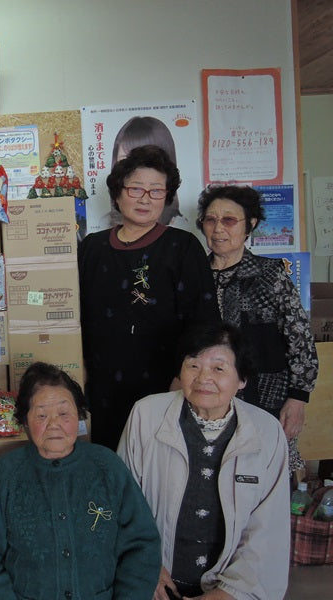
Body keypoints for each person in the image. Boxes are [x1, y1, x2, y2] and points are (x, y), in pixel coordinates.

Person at [118, 322, 290, 599]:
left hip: (230, 591)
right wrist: (146, 567)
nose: (203, 378)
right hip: (154, 584)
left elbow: (268, 532)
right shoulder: (146, 415)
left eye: (218, 368)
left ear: (242, 379)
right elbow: (124, 504)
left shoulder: (267, 433)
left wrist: (229, 593)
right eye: (193, 365)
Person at [0, 361, 161, 599]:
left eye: (63, 413)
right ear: (25, 420)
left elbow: (142, 544)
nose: (54, 424)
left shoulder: (107, 466)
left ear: (79, 414)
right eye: (41, 415)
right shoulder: (7, 473)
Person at [79, 145, 219, 450]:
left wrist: (185, 379)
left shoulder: (182, 247)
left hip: (165, 386)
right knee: (108, 464)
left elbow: (205, 322)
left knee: (157, 469)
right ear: (117, 193)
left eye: (156, 191)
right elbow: (75, 315)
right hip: (101, 387)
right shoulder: (92, 248)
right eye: (136, 189)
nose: (145, 198)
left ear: (167, 198)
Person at [196, 184, 318, 472]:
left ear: (250, 225)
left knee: (267, 476)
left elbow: (299, 337)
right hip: (209, 399)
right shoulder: (194, 276)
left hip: (268, 397)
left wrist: (298, 397)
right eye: (211, 220)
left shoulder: (270, 275)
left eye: (229, 220)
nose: (218, 229)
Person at [99, 116, 189, 230]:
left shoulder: (183, 237)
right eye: (127, 160)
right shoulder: (101, 230)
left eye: (156, 190)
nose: (144, 200)